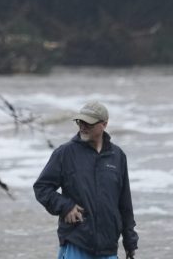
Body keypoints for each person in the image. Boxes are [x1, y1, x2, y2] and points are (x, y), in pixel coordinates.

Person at [34, 101, 138, 259]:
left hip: (108, 247)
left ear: (104, 124)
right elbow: (42, 188)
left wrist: (130, 243)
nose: (82, 126)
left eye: (88, 123)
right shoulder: (65, 153)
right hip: (76, 242)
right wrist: (65, 206)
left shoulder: (117, 156)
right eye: (80, 121)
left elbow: (125, 204)